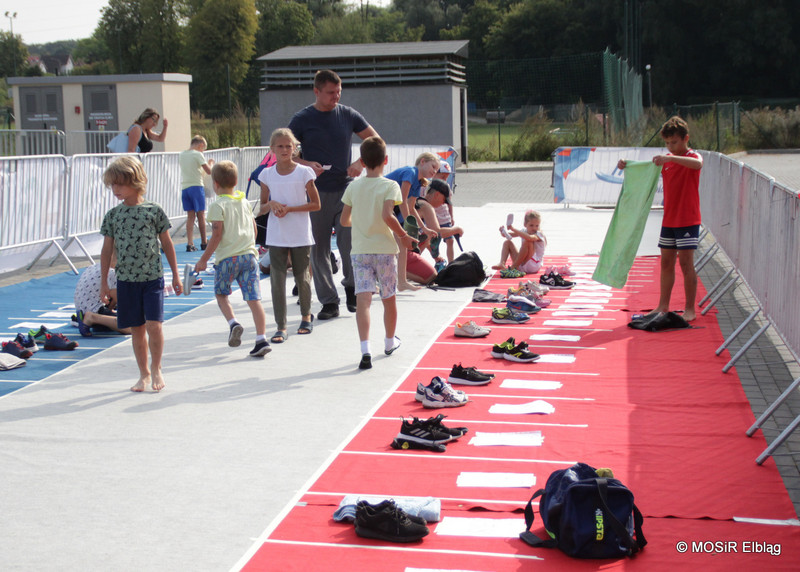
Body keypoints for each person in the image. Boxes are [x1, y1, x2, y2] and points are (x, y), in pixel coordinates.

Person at [288, 69, 379, 320]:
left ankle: (351, 286)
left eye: (339, 92)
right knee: (318, 249)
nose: (336, 97)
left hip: (346, 189)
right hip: (315, 192)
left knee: (349, 242)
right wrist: (305, 164)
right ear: (316, 92)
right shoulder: (302, 119)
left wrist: (361, 162)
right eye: (330, 93)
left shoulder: (348, 114)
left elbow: (375, 140)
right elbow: (284, 152)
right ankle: (329, 301)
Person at [99, 156, 182, 392]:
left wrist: (176, 275)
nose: (115, 189)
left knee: (154, 325)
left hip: (152, 278)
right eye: (112, 185)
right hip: (126, 281)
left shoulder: (153, 210)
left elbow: (167, 244)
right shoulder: (113, 215)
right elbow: (106, 250)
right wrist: (104, 283)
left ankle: (156, 367)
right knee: (137, 329)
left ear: (135, 181)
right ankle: (143, 373)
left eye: (120, 184)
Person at [617, 115, 703, 321]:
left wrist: (670, 158)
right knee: (666, 263)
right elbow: (646, 167)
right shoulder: (667, 161)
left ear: (686, 139)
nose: (670, 147)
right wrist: (626, 164)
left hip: (688, 220)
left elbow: (698, 164)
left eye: (674, 142)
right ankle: (663, 305)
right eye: (667, 143)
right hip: (669, 220)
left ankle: (690, 309)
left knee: (686, 264)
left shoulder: (691, 156)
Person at [341, 136, 416, 370]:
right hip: (384, 250)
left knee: (363, 301)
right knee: (388, 298)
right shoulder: (390, 186)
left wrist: (360, 223)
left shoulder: (353, 186)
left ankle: (365, 349)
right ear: (386, 160)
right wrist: (403, 235)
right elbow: (387, 215)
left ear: (362, 162)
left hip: (360, 251)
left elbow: (344, 220)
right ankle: (389, 341)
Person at [195, 161, 270, 357]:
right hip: (249, 256)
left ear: (215, 184)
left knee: (221, 294)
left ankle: (233, 322)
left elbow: (216, 235)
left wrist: (203, 260)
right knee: (254, 299)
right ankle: (261, 338)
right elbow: (254, 229)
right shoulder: (244, 202)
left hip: (227, 258)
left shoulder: (217, 205)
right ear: (236, 182)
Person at [258, 128, 321, 343]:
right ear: (272, 149)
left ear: (295, 148)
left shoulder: (304, 172)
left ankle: (306, 316)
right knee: (277, 281)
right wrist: (271, 204)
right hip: (277, 235)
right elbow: (261, 208)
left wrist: (290, 209)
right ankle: (281, 326)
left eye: (288, 146)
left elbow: (316, 204)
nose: (284, 150)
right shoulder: (266, 175)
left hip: (300, 233)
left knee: (302, 277)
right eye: (280, 146)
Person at [384, 152, 441, 290]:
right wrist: (407, 227)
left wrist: (424, 228)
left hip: (389, 206)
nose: (434, 171)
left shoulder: (419, 182)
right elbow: (402, 201)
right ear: (422, 161)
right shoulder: (410, 172)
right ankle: (385, 278)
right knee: (390, 242)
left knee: (402, 245)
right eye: (433, 167)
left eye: (436, 170)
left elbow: (411, 207)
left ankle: (402, 281)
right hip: (381, 203)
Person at [73, 256, 131, 336]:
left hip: (82, 307)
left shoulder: (93, 267)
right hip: (94, 310)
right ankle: (92, 318)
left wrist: (110, 310)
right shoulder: (113, 273)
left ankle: (93, 319)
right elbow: (121, 301)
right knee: (133, 326)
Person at [180, 135, 214, 251]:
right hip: (196, 186)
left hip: (185, 187)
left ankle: (190, 243)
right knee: (201, 215)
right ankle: (204, 242)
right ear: (200, 145)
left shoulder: (182, 154)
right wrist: (210, 163)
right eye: (203, 149)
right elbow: (208, 171)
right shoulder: (197, 154)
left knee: (190, 216)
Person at [492, 210, 547, 274]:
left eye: (537, 226)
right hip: (522, 264)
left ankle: (514, 267)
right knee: (507, 242)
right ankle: (502, 263)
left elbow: (529, 238)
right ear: (525, 224)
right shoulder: (524, 231)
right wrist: (503, 232)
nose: (534, 228)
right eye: (531, 225)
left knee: (528, 242)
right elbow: (509, 235)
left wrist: (513, 229)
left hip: (533, 265)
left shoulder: (539, 234)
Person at [431, 162, 457, 264]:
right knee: (433, 243)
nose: (445, 180)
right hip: (433, 219)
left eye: (447, 177)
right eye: (443, 177)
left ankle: (451, 263)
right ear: (434, 174)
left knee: (450, 240)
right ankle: (437, 259)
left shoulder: (446, 187)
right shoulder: (429, 187)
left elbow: (449, 203)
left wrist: (451, 216)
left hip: (445, 219)